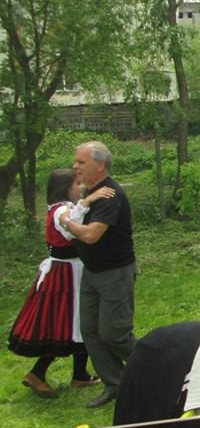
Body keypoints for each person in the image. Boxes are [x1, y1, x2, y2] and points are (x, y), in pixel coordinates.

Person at [9, 170, 107, 398]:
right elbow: (72, 227)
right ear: (66, 187)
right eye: (77, 184)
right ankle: (38, 373)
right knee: (67, 322)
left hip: (69, 270)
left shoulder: (61, 208)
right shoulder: (62, 210)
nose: (80, 188)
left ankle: (80, 374)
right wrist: (89, 200)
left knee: (79, 321)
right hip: (66, 273)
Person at [61, 141, 137, 409]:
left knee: (114, 334)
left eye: (81, 162)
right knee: (90, 331)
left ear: (100, 164)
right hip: (92, 272)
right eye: (76, 162)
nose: (75, 166)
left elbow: (91, 234)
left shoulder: (110, 195)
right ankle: (116, 384)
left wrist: (68, 222)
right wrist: (72, 220)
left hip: (114, 272)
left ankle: (158, 367)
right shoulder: (89, 193)